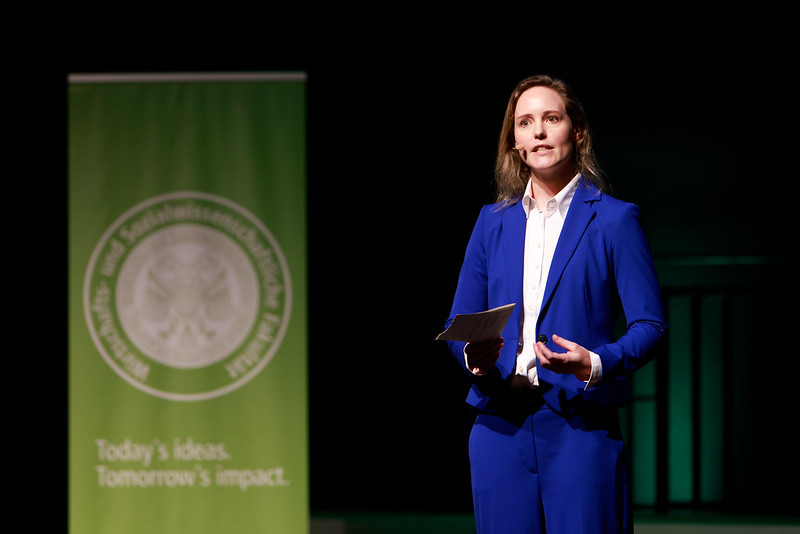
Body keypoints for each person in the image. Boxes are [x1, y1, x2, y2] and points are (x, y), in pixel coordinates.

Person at [443, 74, 667, 533]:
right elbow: (458, 322)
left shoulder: (614, 219)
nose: (539, 131)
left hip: (580, 428)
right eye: (525, 123)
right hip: (498, 426)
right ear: (516, 143)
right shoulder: (492, 222)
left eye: (551, 118)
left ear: (577, 130)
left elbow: (651, 323)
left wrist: (596, 363)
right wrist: (473, 356)